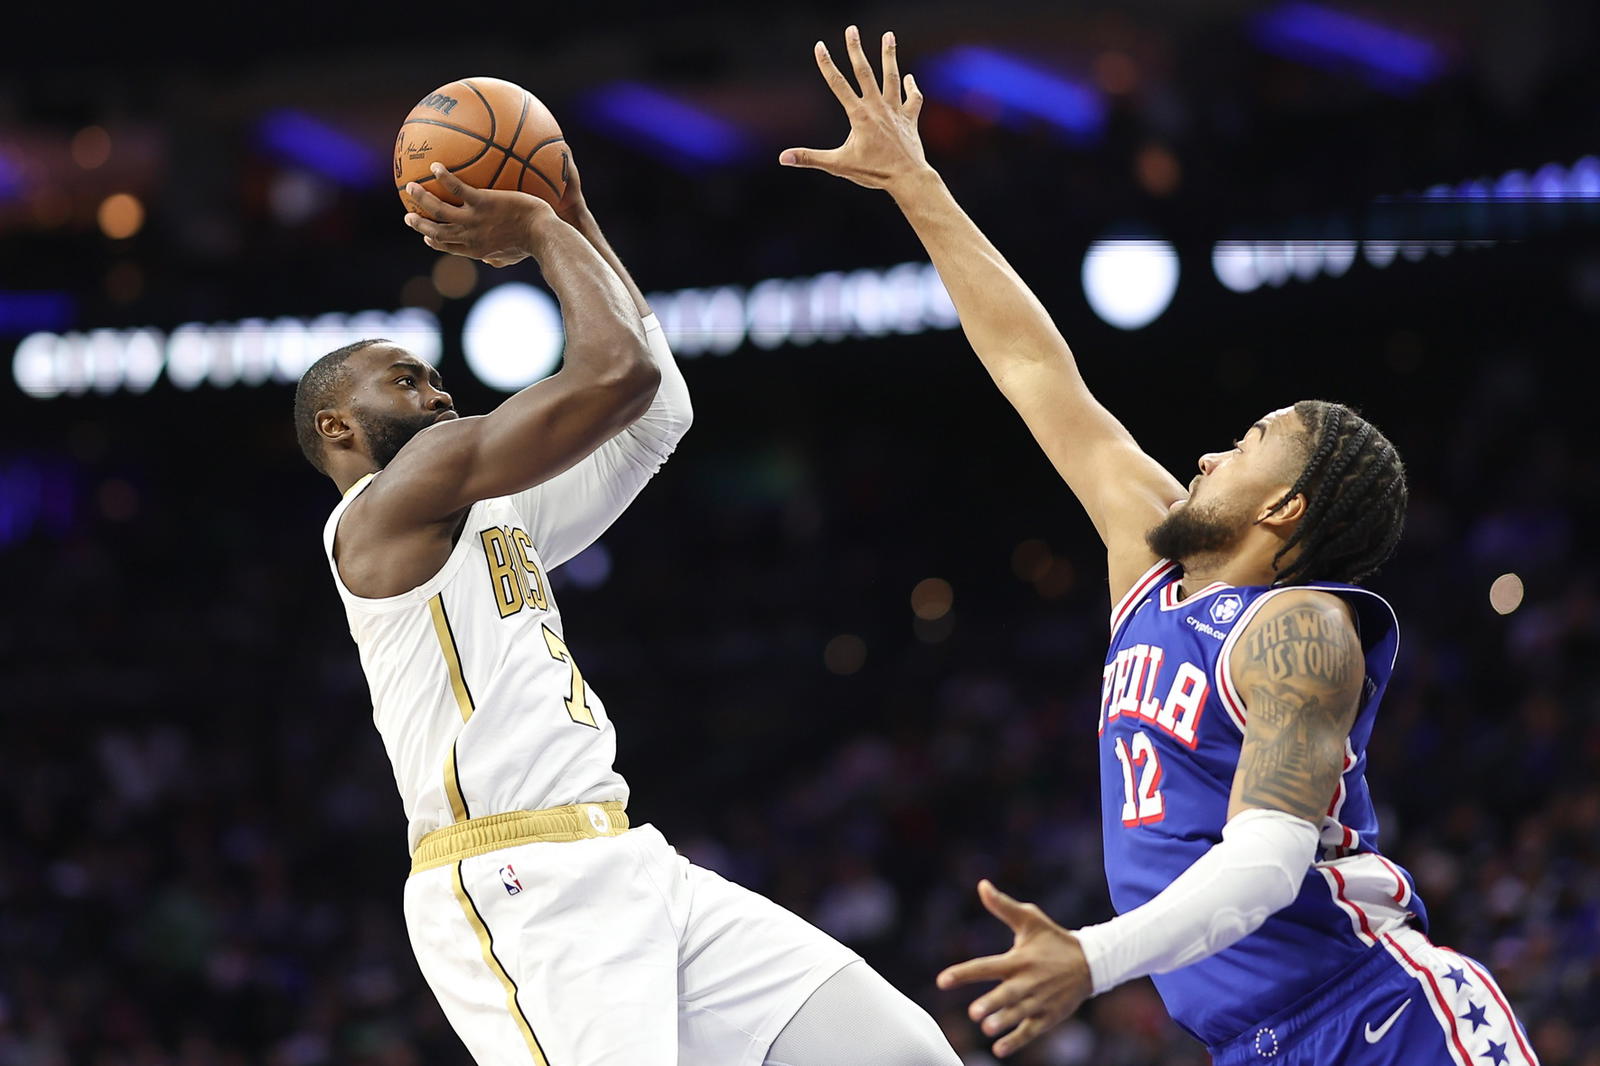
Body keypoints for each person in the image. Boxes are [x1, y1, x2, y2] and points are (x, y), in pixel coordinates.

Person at [781, 26, 1541, 1066]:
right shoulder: (1148, 567)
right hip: (1252, 1046)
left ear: (1286, 511)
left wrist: (1090, 960)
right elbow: (1031, 365)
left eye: (1248, 444)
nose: (1206, 452)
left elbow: (1269, 862)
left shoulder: (1302, 630)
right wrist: (916, 184)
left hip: (1381, 1018)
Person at [293, 161, 962, 1066]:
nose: (440, 393)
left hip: (626, 857)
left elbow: (656, 412)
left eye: (434, 381)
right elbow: (615, 373)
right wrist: (535, 228)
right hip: (514, 881)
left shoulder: (493, 516)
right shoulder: (389, 508)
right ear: (338, 427)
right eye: (407, 381)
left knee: (901, 1053)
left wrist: (577, 220)